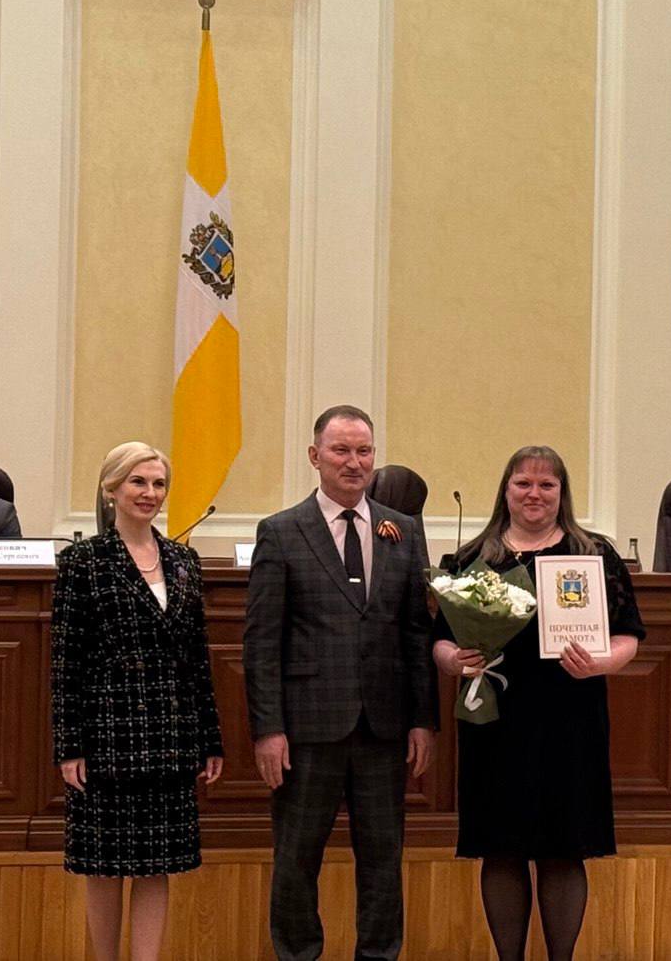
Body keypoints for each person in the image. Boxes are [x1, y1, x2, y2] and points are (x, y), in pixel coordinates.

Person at [432, 445, 644, 961]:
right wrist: (454, 661)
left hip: (570, 719)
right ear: (505, 490)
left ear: (562, 494)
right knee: (501, 847)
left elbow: (629, 636)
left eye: (547, 485)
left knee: (563, 848)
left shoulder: (593, 554)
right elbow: (437, 641)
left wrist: (601, 663)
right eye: (523, 483)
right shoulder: (469, 558)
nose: (535, 494)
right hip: (496, 721)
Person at [243, 404, 438, 961]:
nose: (354, 463)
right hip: (306, 730)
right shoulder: (281, 531)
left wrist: (424, 719)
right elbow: (261, 642)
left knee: (383, 859)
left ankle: (378, 954)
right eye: (341, 450)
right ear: (315, 457)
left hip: (384, 727)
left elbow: (414, 632)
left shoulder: (402, 530)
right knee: (297, 859)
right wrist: (268, 730)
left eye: (364, 451)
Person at [50, 441, 223, 961]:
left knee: (156, 864)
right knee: (103, 865)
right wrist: (69, 745)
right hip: (107, 739)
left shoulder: (184, 560)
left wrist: (209, 739)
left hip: (170, 738)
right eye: (138, 482)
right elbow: (66, 662)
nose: (150, 493)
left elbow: (198, 657)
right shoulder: (84, 562)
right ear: (112, 489)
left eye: (158, 483)